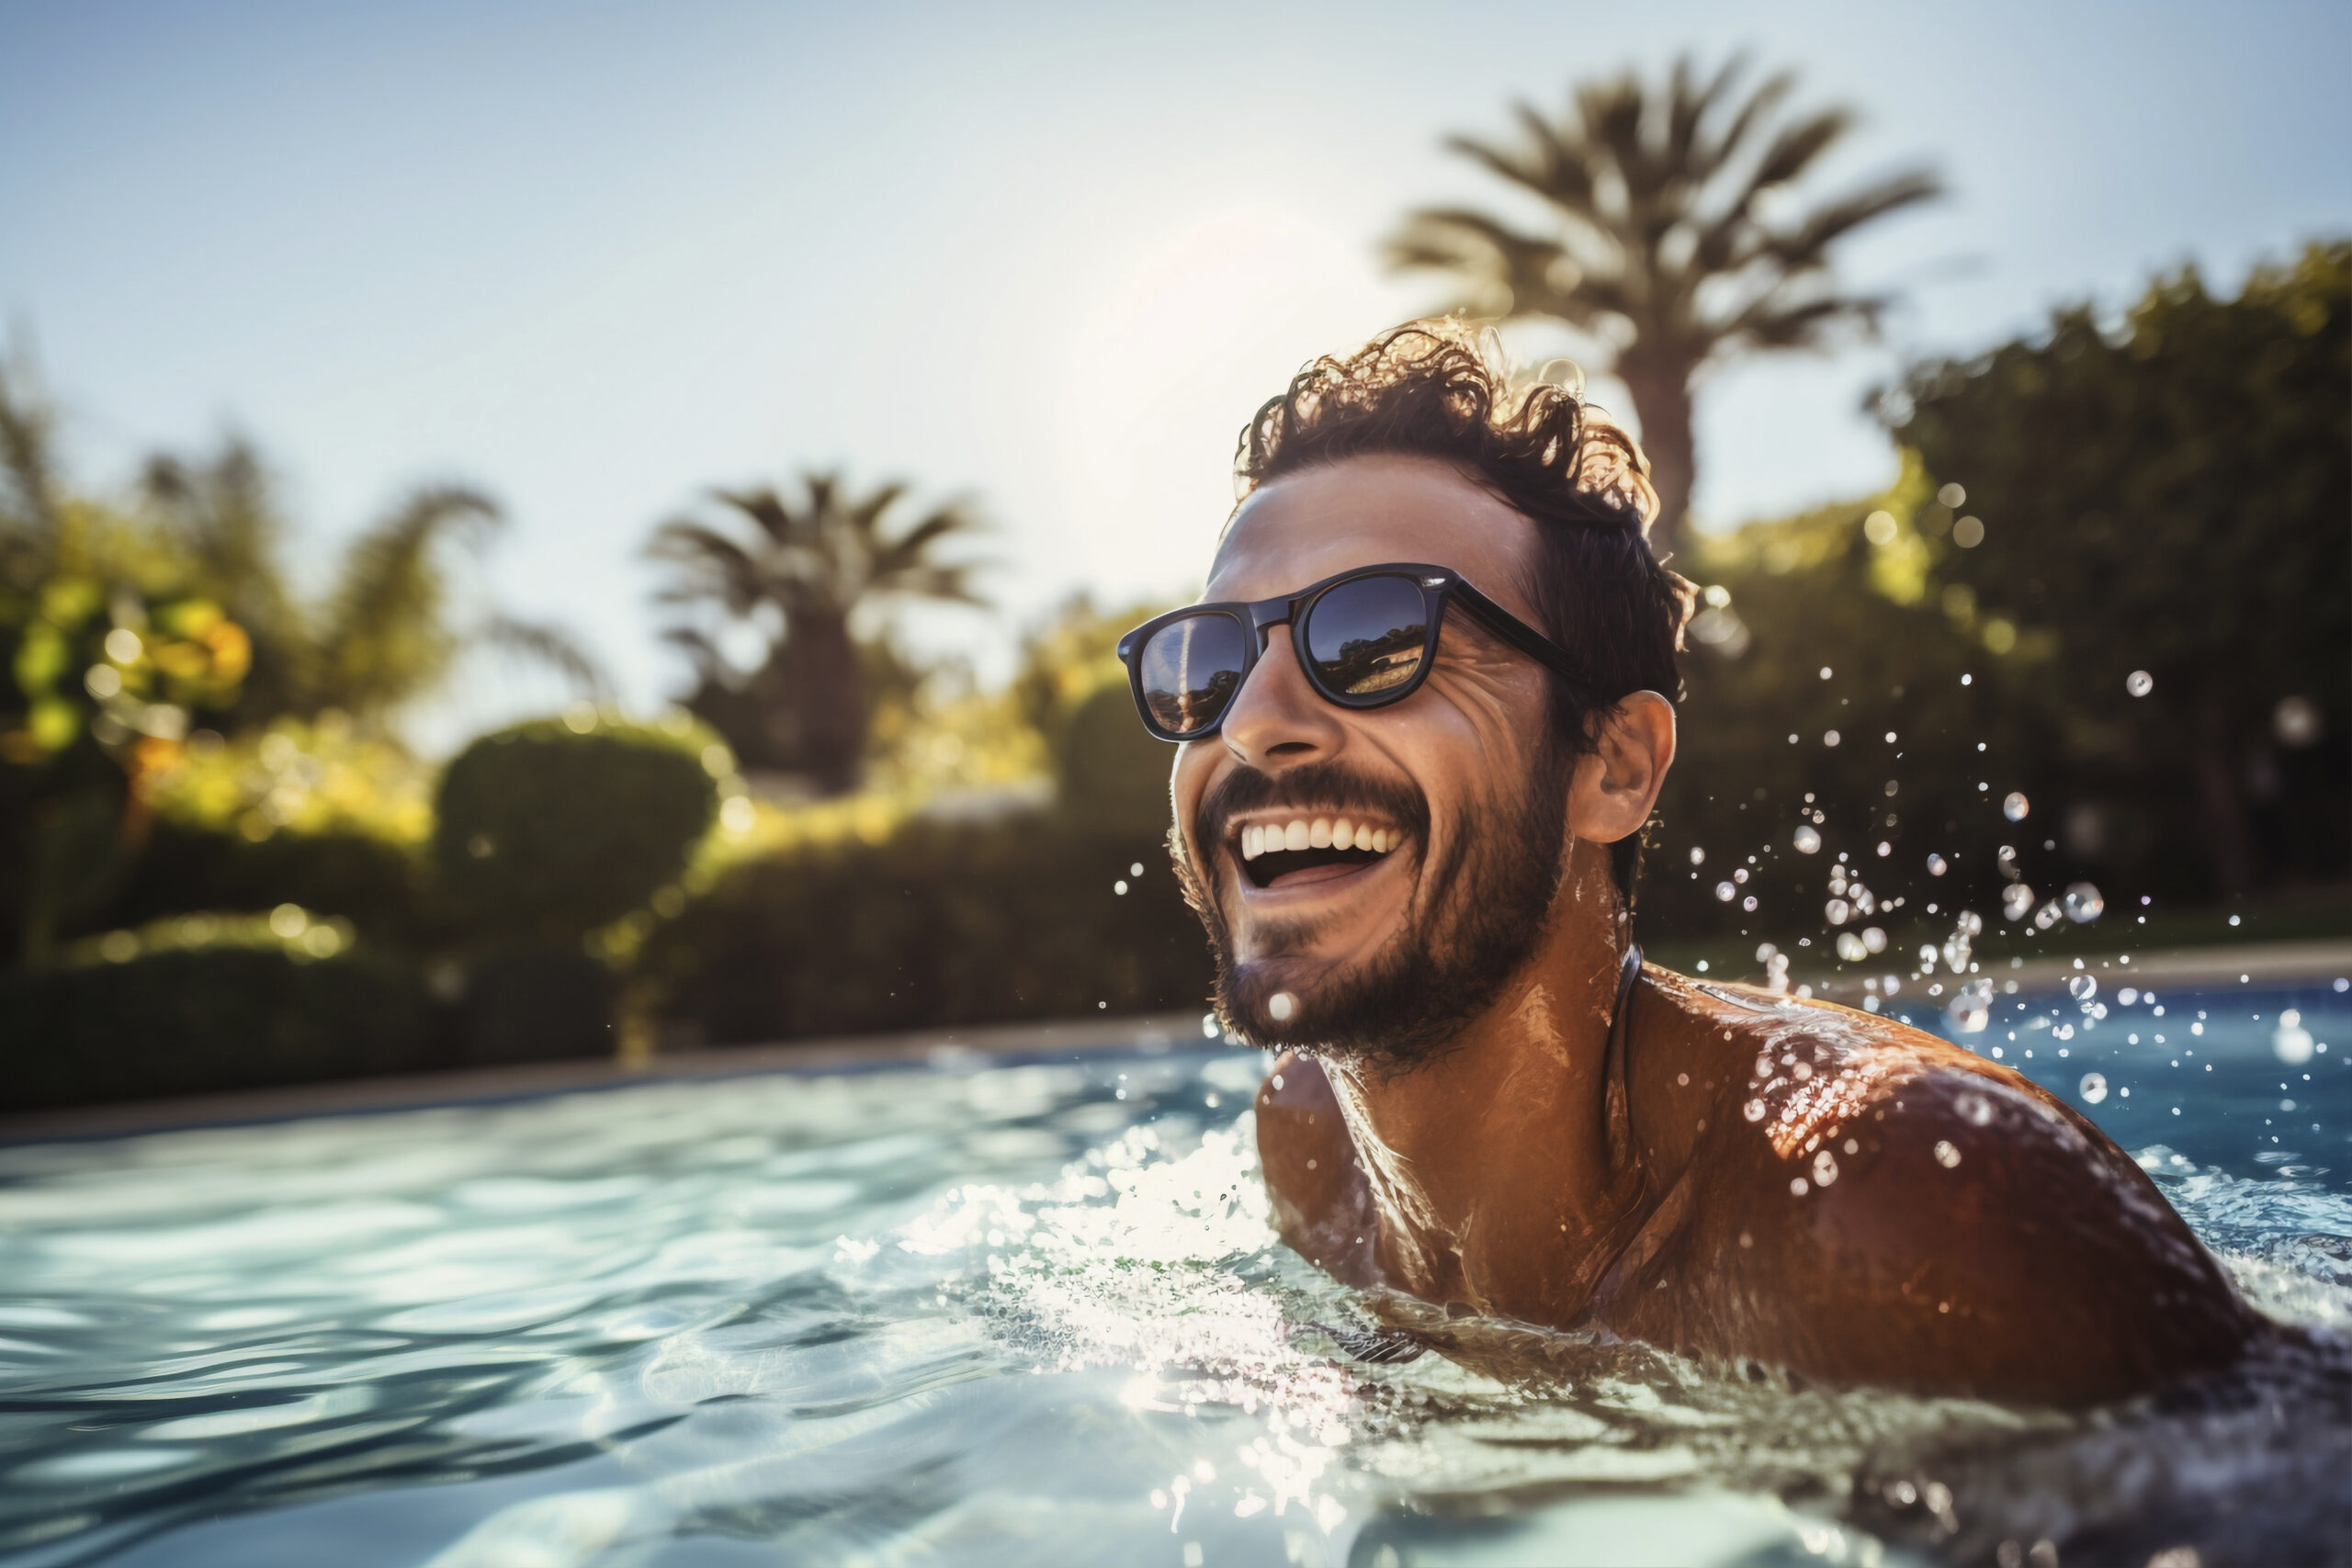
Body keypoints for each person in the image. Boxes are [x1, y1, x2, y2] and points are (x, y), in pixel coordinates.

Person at [1117, 321, 2256, 1404]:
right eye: (1207, 660)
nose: (1252, 723)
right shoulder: (1311, 1150)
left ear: (1613, 765)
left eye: (1373, 640)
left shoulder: (1894, 1212)